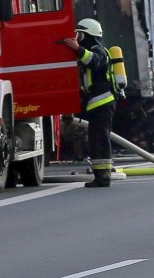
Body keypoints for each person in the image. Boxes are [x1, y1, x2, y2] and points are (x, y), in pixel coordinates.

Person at [63, 18, 119, 187]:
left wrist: (77, 49)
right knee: (96, 139)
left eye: (79, 35)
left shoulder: (99, 50)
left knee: (100, 140)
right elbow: (88, 85)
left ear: (87, 35)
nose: (77, 39)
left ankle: (104, 177)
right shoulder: (91, 51)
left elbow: (95, 62)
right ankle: (100, 176)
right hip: (97, 102)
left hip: (103, 102)